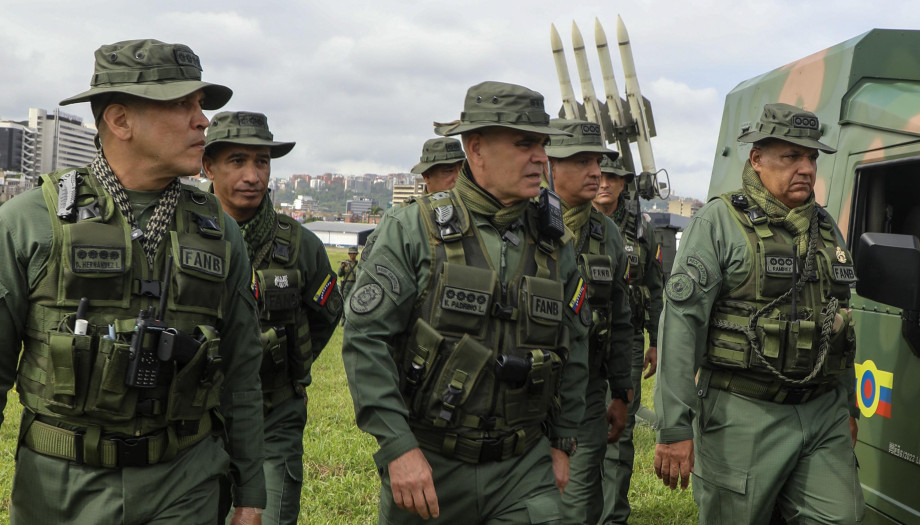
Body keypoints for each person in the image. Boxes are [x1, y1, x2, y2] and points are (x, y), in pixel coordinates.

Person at [0, 39, 266, 524]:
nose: (202, 120)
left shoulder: (219, 229)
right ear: (120, 121)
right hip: (61, 488)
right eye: (182, 104)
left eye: (200, 105)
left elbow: (242, 371)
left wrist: (251, 492)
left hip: (186, 481)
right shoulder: (30, 221)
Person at [342, 81, 590, 525]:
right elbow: (366, 339)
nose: (540, 157)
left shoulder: (556, 244)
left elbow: (575, 346)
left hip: (523, 467)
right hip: (432, 464)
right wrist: (398, 447)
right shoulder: (412, 229)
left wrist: (561, 441)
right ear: (476, 149)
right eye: (524, 143)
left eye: (542, 144)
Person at [652, 103, 863, 525]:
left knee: (841, 517)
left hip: (822, 414)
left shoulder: (825, 229)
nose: (805, 167)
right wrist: (674, 427)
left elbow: (837, 322)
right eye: (791, 156)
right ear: (757, 159)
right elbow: (681, 325)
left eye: (811, 157)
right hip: (743, 410)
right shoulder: (719, 222)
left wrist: (848, 408)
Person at [204, 111, 343, 524]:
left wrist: (285, 362)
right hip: (198, 420)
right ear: (207, 166)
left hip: (273, 417)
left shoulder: (302, 245)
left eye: (262, 162)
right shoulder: (184, 234)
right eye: (237, 161)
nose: (252, 175)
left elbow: (325, 316)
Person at [545, 119, 635, 524]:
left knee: (579, 506)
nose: (595, 172)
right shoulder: (525, 221)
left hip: (586, 393)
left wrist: (621, 392)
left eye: (596, 161)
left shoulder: (607, 234)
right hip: (525, 391)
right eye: (581, 161)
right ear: (550, 165)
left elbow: (621, 319)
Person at [596, 156, 663, 525]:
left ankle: (612, 516)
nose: (605, 182)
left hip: (628, 342)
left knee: (620, 433)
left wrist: (656, 340)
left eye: (613, 177)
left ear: (624, 183)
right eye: (600, 175)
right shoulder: (565, 220)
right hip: (579, 340)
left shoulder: (642, 228)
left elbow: (655, 286)